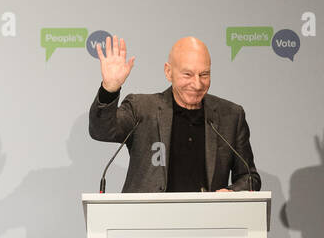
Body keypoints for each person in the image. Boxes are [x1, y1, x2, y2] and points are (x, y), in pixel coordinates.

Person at [88, 35, 260, 193]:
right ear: (168, 72)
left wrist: (231, 192)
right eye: (187, 74)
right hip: (147, 222)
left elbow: (250, 178)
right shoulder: (141, 108)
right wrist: (109, 90)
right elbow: (102, 130)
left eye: (204, 74)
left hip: (207, 222)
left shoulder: (231, 116)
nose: (197, 84)